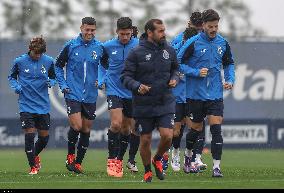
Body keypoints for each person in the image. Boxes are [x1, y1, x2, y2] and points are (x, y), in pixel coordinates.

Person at [177, 9, 235, 177]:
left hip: (215, 94)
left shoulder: (222, 43)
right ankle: (188, 155)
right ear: (203, 25)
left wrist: (230, 79)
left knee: (216, 128)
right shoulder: (193, 42)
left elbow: (229, 63)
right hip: (195, 95)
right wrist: (195, 71)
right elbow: (178, 63)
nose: (214, 29)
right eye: (210, 26)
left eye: (216, 26)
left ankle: (216, 167)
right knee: (195, 130)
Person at [121, 19, 179, 183]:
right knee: (145, 140)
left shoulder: (169, 50)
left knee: (168, 135)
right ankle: (147, 171)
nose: (164, 33)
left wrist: (175, 78)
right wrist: (137, 86)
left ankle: (157, 158)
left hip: (164, 101)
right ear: (149, 32)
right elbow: (125, 77)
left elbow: (176, 68)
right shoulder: (136, 52)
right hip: (143, 104)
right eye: (160, 31)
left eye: (164, 30)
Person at [55, 17, 104, 174]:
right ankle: (70, 156)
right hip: (73, 92)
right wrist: (63, 84)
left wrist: (102, 80)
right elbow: (57, 66)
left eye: (92, 30)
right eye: (87, 29)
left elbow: (107, 67)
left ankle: (78, 162)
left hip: (90, 95)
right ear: (81, 28)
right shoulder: (71, 46)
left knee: (86, 129)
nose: (89, 32)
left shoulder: (100, 48)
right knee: (76, 125)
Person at [8, 36, 56, 175]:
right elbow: (11, 77)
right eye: (36, 53)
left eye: (40, 53)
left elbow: (53, 77)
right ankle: (33, 166)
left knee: (44, 138)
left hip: (43, 105)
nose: (38, 56)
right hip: (26, 105)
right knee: (29, 135)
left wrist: (51, 83)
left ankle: (34, 155)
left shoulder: (48, 61)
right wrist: (16, 86)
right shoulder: (19, 61)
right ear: (30, 50)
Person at [99, 17, 139, 178]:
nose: (125, 37)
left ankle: (120, 160)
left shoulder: (138, 45)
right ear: (117, 32)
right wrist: (102, 79)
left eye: (128, 34)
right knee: (115, 124)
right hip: (114, 90)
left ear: (131, 33)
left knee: (126, 129)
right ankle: (111, 160)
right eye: (122, 34)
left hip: (132, 92)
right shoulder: (108, 46)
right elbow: (101, 64)